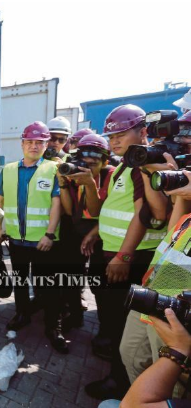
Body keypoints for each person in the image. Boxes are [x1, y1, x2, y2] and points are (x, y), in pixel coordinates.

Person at [85, 104, 169, 400]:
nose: (115, 141)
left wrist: (124, 256)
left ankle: (120, 384)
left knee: (122, 325)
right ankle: (117, 375)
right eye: (111, 136)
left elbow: (147, 215)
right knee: (112, 320)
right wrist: (96, 232)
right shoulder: (125, 164)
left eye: (121, 134)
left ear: (143, 132)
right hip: (114, 251)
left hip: (131, 258)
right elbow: (115, 207)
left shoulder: (141, 166)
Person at [119, 112, 191, 399]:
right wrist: (181, 194)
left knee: (170, 375)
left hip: (180, 300)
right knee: (131, 354)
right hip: (157, 287)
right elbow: (173, 228)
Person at [0, 121, 67, 353]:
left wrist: (49, 234)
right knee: (21, 282)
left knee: (50, 285)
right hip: (16, 239)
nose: (34, 146)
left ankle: (53, 327)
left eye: (39, 142)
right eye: (30, 142)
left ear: (46, 145)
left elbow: (57, 204)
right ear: (22, 143)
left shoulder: (53, 169)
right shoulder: (8, 170)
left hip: (43, 242)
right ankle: (22, 314)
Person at [58, 134, 115, 335]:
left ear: (105, 161)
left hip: (101, 229)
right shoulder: (74, 170)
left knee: (98, 279)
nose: (87, 168)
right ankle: (74, 315)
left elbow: (100, 211)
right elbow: (68, 211)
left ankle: (106, 328)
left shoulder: (112, 176)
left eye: (94, 164)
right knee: (71, 275)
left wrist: (90, 184)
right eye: (85, 162)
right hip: (76, 227)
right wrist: (63, 183)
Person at [98, 308, 191, 408]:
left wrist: (177, 350)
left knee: (106, 405)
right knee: (132, 356)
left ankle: (152, 399)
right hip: (167, 295)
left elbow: (130, 406)